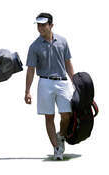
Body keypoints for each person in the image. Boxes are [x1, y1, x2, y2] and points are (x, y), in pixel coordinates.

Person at [25, 13, 75, 160]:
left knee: (66, 115)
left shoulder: (63, 41)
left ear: (51, 25)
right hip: (44, 82)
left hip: (62, 81)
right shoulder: (34, 46)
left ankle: (61, 135)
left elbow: (68, 63)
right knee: (49, 117)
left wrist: (75, 81)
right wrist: (27, 91)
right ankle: (57, 149)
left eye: (43, 25)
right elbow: (30, 69)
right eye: (38, 25)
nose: (40, 28)